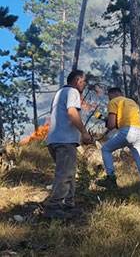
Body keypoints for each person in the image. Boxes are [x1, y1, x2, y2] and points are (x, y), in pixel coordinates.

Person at [43, 70, 94, 219]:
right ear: (78, 80)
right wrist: (84, 133)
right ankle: (54, 207)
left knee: (69, 173)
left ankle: (68, 205)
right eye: (84, 81)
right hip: (64, 140)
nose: (84, 85)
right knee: (65, 174)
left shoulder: (60, 93)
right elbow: (72, 113)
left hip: (55, 140)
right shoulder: (72, 91)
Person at [96, 87, 140, 201]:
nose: (109, 100)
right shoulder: (132, 102)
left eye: (109, 97)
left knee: (105, 149)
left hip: (128, 132)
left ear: (114, 94)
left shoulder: (114, 101)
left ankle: (111, 178)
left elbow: (112, 125)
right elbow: (136, 120)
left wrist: (107, 122)